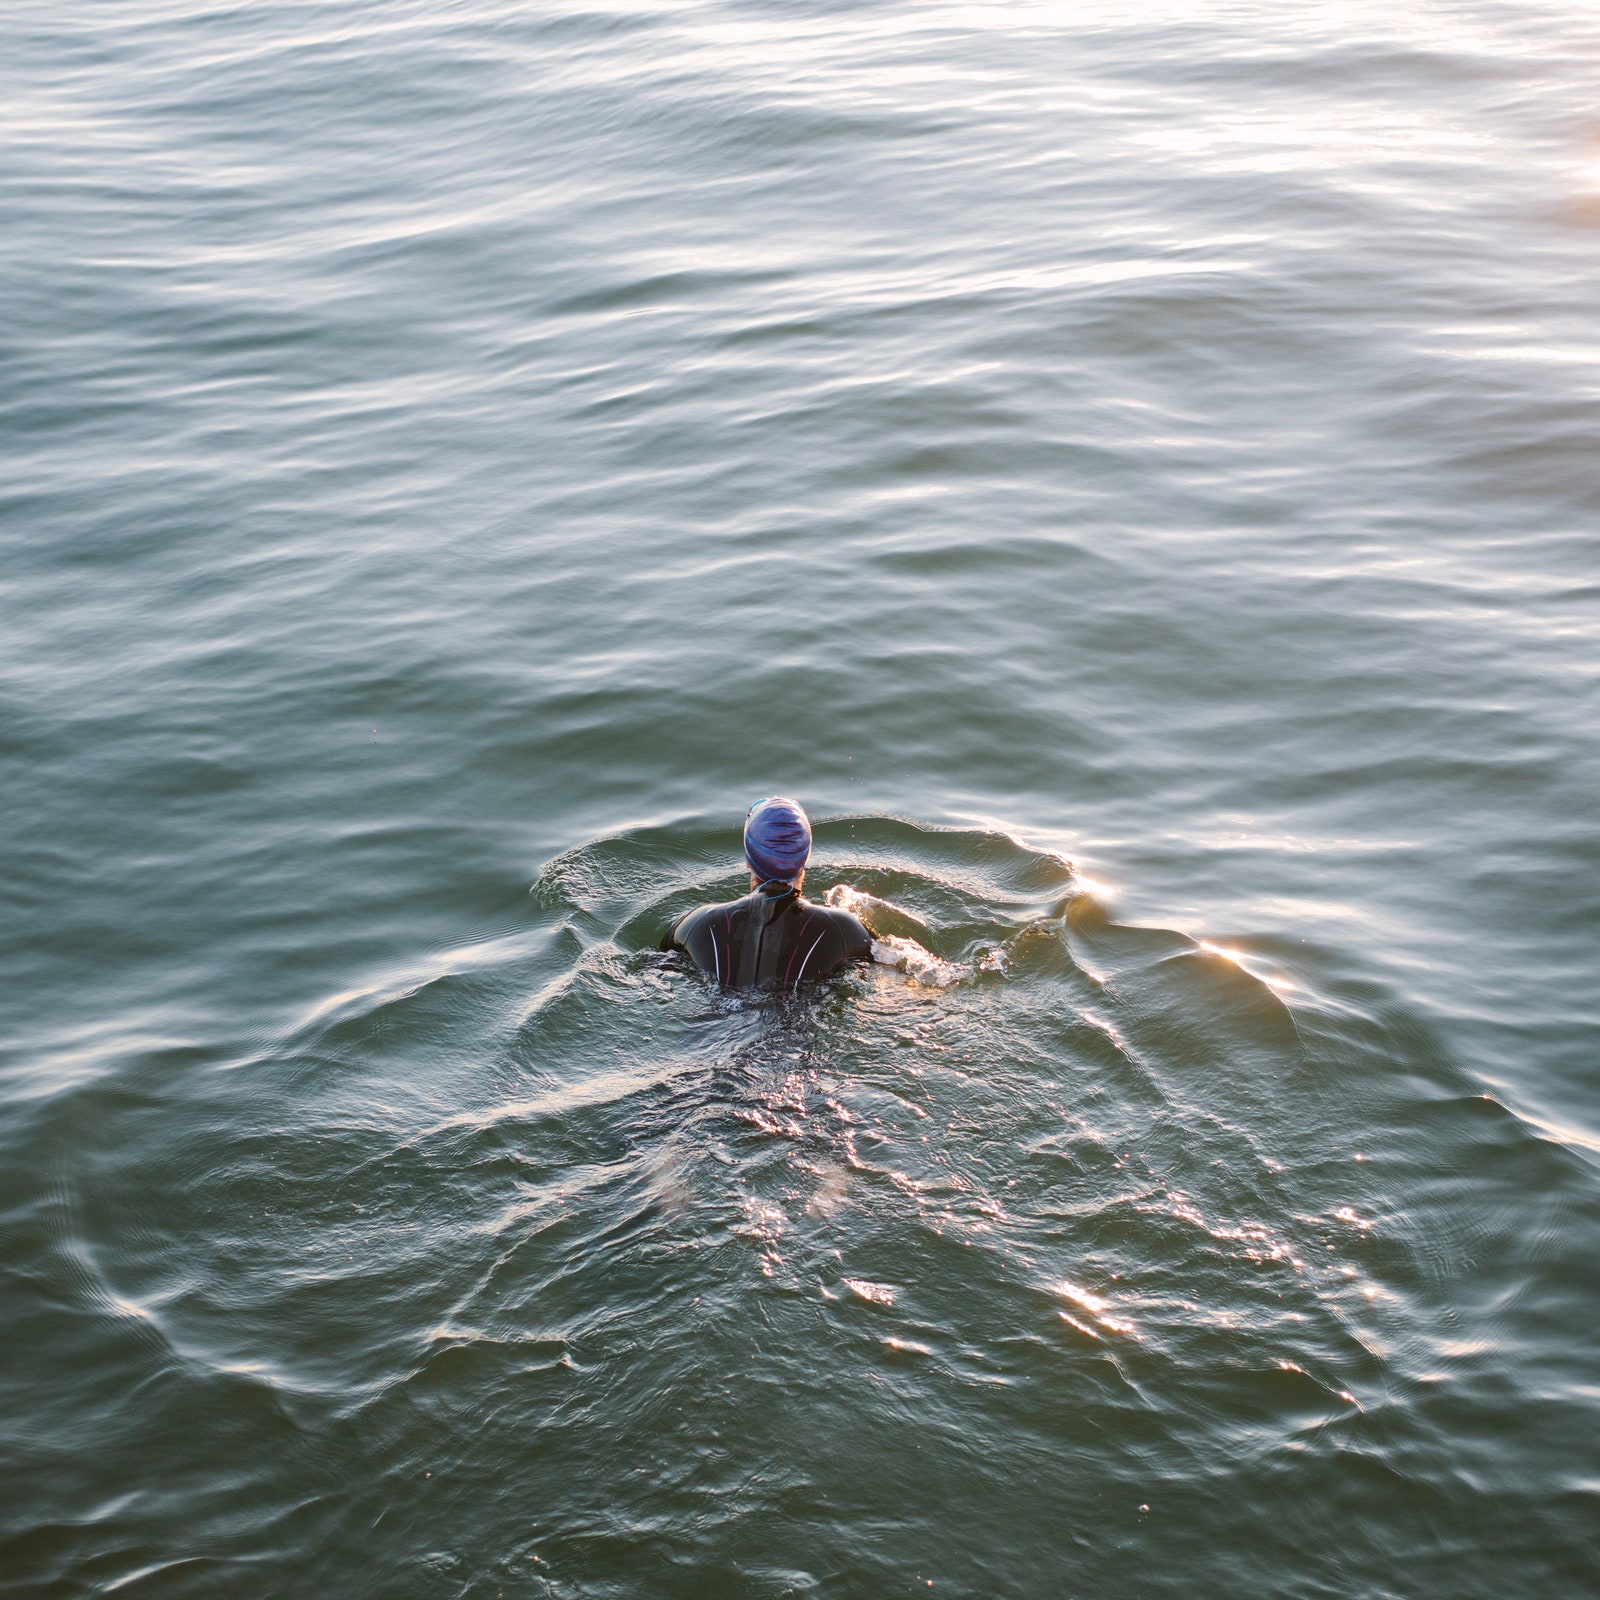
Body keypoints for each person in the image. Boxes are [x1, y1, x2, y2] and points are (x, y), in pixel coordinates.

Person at [661, 797, 872, 990]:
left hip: (712, 1027)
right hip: (793, 1027)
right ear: (805, 858)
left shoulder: (696, 925)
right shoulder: (845, 930)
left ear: (748, 860)